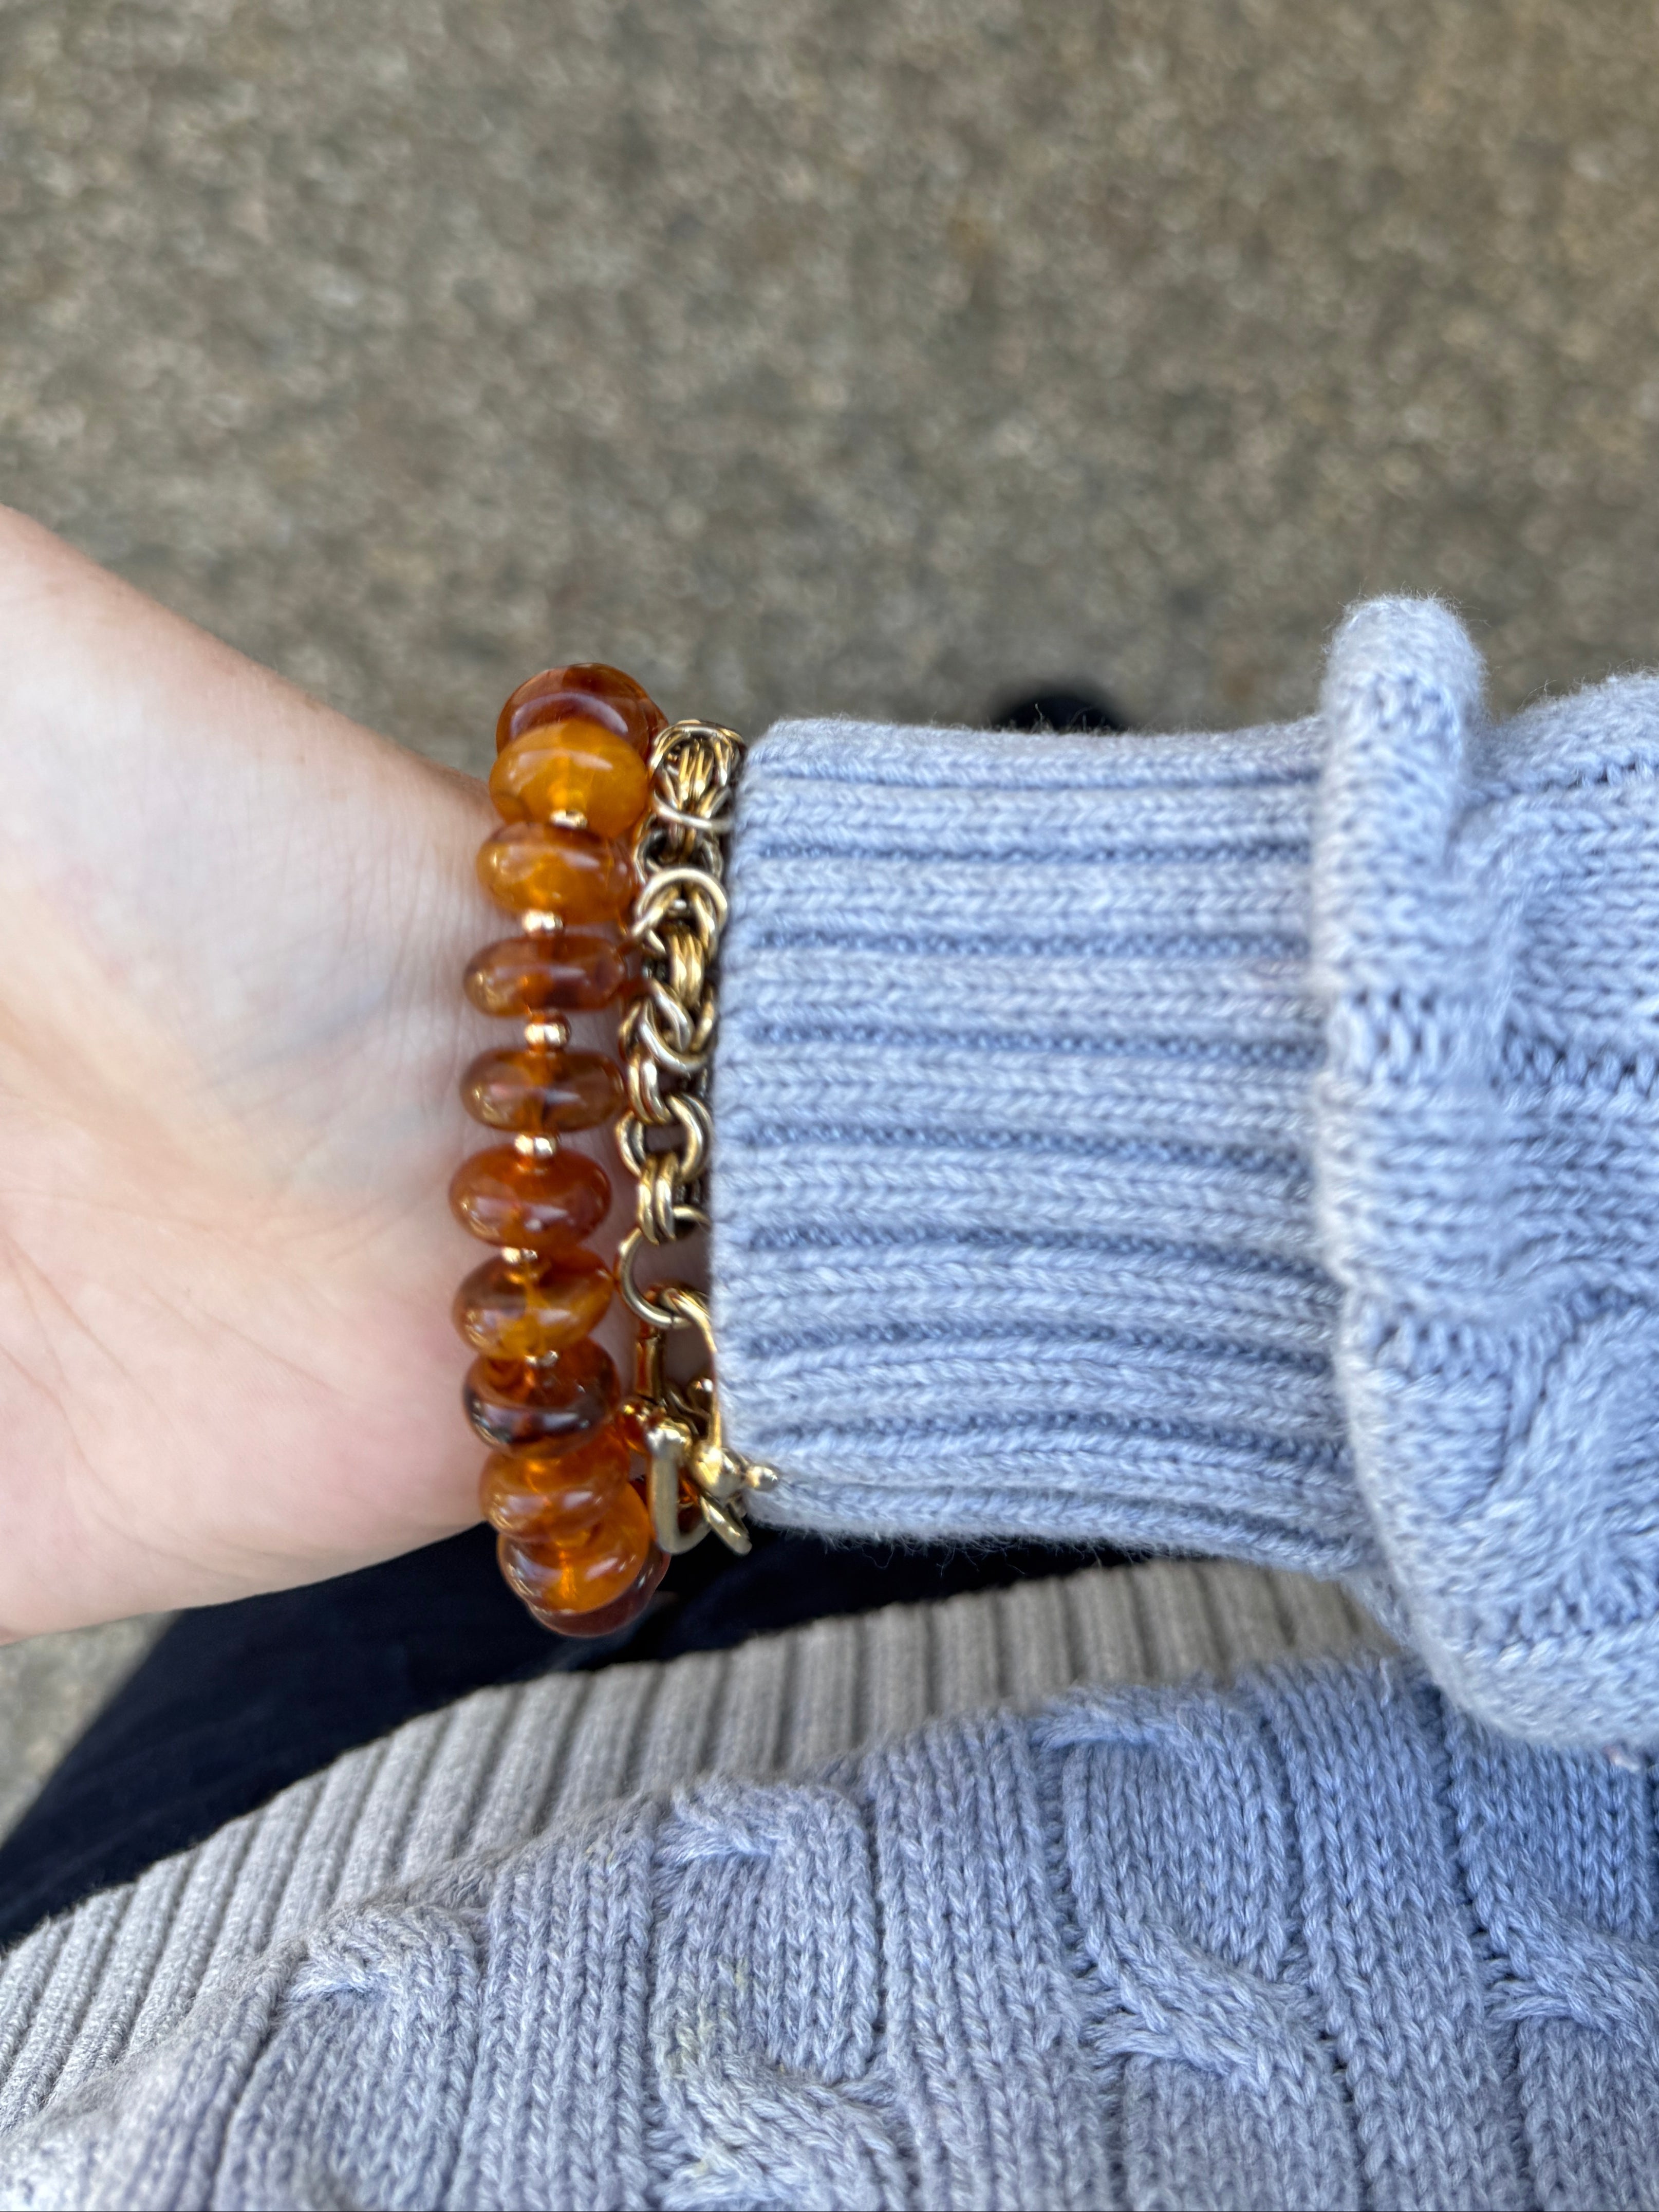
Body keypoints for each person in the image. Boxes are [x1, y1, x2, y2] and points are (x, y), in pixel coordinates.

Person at [0, 506, 1655, 2208]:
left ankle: (989, 841)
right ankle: (958, 894)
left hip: (202, 1951)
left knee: (511, 1501)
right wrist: (1080, 1020)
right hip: (1303, 1666)